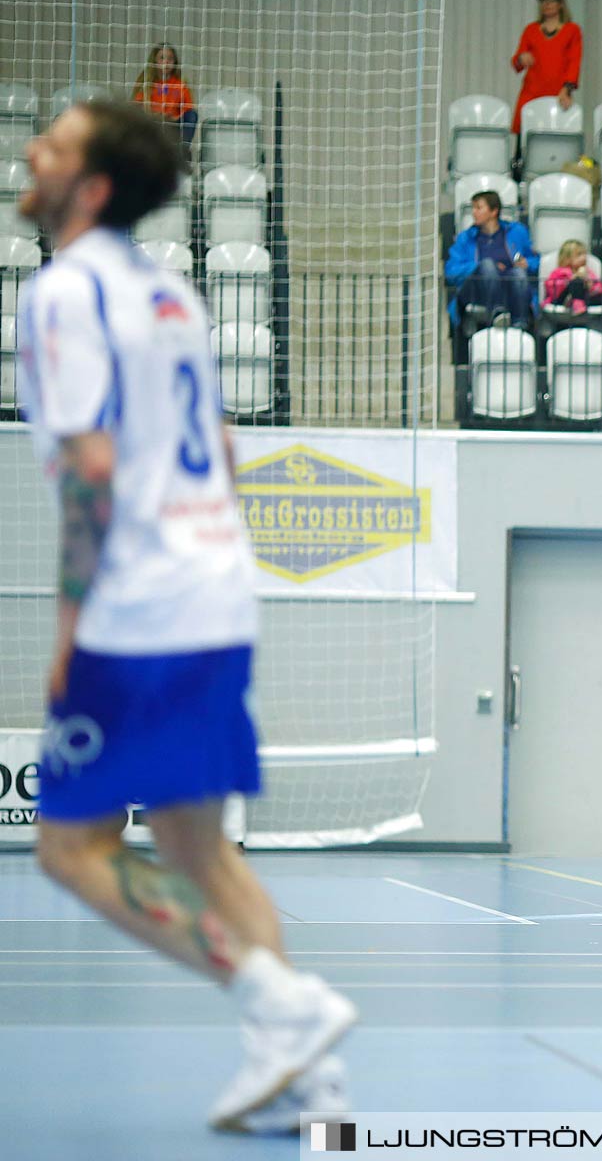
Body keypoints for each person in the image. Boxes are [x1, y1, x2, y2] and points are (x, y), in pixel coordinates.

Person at [16, 98, 357, 1134]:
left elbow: (92, 471)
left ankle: (275, 1002)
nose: (35, 151)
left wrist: (72, 629)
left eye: (58, 145)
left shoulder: (63, 292)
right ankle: (306, 1076)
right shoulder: (173, 296)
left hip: (138, 603)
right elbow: (223, 441)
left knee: (71, 847)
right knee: (198, 845)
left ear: (94, 186)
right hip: (214, 586)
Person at [444, 191, 536, 328]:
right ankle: (497, 314)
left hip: (509, 286)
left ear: (494, 211)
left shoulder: (517, 232)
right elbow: (451, 272)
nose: (474, 213)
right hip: (476, 291)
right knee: (487, 265)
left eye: (478, 208)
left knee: (518, 273)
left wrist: (528, 263)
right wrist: (479, 267)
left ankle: (520, 323)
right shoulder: (466, 238)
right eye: (473, 208)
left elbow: (536, 259)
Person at [510, 0, 582, 135]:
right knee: (525, 139)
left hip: (558, 95)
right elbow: (517, 62)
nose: (546, 4)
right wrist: (521, 58)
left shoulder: (572, 30)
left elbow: (574, 61)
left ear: (560, 4)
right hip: (531, 94)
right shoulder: (531, 30)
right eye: (543, 0)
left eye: (551, 0)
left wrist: (566, 89)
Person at [130, 43, 197, 147]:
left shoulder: (180, 84)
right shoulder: (146, 83)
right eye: (162, 58)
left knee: (192, 115)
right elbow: (137, 107)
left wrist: (173, 117)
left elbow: (187, 108)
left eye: (170, 58)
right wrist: (155, 115)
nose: (166, 62)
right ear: (154, 61)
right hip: (152, 122)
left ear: (175, 62)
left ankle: (183, 148)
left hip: (173, 123)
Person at [542, 239, 602, 315]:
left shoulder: (588, 272)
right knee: (577, 281)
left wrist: (590, 285)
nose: (584, 258)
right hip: (560, 300)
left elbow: (599, 287)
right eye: (579, 255)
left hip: (584, 299)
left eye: (584, 254)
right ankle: (576, 303)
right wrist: (568, 281)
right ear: (567, 258)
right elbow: (551, 287)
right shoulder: (559, 272)